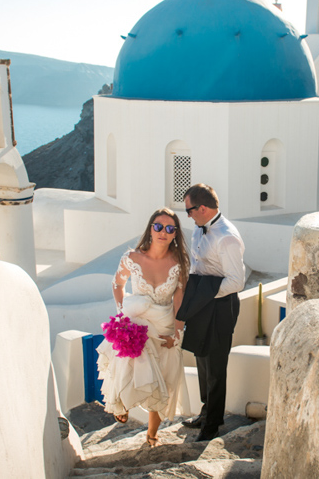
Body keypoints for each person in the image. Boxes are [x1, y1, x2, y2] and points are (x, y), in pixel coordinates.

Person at [97, 208, 189, 447]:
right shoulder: (132, 258)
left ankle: (152, 433)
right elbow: (117, 284)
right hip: (137, 321)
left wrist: (177, 333)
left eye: (169, 228)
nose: (162, 232)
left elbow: (179, 300)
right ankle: (121, 403)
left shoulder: (179, 263)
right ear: (150, 228)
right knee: (128, 364)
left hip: (165, 325)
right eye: (158, 226)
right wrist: (121, 315)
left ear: (174, 234)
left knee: (162, 380)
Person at [178, 184, 245, 443]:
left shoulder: (226, 236)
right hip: (203, 301)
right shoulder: (199, 228)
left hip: (220, 304)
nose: (188, 216)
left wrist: (204, 294)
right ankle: (205, 412)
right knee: (201, 357)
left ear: (202, 208)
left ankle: (213, 424)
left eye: (189, 210)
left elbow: (236, 282)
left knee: (216, 365)